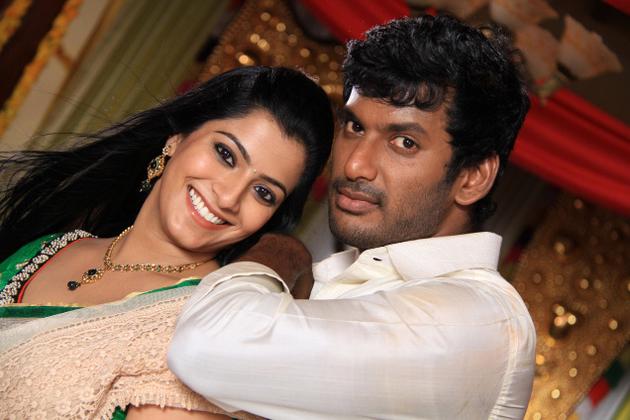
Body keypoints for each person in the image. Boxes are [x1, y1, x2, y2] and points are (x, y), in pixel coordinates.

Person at [167, 14, 536, 420]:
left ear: (472, 177)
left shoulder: (477, 322)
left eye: (404, 142)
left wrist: (280, 253)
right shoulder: (349, 275)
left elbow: (204, 344)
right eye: (355, 126)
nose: (356, 164)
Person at [0, 66, 333, 419]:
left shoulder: (202, 328)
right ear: (176, 138)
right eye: (225, 154)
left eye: (263, 192)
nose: (228, 197)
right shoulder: (54, 246)